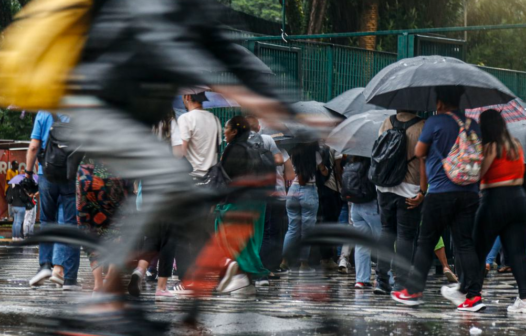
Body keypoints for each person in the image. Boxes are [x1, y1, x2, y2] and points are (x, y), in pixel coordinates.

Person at [392, 86, 484, 312]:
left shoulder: (434, 122)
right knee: (464, 243)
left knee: (426, 242)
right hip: (469, 192)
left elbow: (419, 150)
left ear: (440, 103)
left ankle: (413, 291)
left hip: (441, 192)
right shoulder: (473, 125)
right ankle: (473, 297)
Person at [474, 109, 526, 313]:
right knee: (517, 253)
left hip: (495, 200)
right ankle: (524, 299)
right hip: (518, 199)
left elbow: (480, 173)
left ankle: (471, 293)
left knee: (478, 248)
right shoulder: (515, 144)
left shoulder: (490, 146)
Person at [214, 116, 269, 294]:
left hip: (238, 202)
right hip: (256, 202)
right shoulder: (253, 149)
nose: (224, 131)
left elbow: (228, 179)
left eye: (226, 128)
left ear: (235, 131)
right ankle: (247, 280)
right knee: (249, 241)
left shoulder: (233, 150)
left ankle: (241, 278)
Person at [26, 111, 81, 291]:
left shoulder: (43, 113)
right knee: (70, 224)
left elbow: (34, 146)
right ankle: (69, 278)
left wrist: (28, 173)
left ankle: (45, 266)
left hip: (46, 173)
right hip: (71, 175)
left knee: (47, 221)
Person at [374, 110, 425, 295]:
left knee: (387, 231)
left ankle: (381, 280)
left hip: (385, 187)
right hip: (410, 188)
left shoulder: (386, 122)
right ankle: (400, 282)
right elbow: (424, 160)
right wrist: (423, 190)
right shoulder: (422, 126)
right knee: (406, 236)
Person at [245, 115, 285, 281]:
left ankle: (248, 266)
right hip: (266, 191)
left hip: (246, 193)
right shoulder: (266, 139)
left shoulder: (236, 141)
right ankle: (264, 267)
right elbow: (279, 159)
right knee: (265, 231)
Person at [280, 142, 328, 274]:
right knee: (307, 231)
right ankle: (304, 263)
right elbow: (323, 171)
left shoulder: (294, 152)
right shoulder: (315, 154)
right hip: (309, 191)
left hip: (293, 190)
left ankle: (284, 261)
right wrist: (325, 169)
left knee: (292, 228)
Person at [347, 156, 381, 289]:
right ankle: (384, 279)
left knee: (361, 244)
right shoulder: (373, 163)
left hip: (355, 206)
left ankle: (361, 279)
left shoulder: (352, 162)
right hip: (372, 206)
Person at [178, 92, 222, 182]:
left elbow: (180, 152)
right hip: (212, 179)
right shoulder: (215, 119)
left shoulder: (185, 118)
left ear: (187, 96)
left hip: (192, 178)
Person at [316, 144, 343, 271]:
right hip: (332, 188)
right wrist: (343, 186)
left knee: (322, 224)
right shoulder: (335, 146)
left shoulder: (316, 146)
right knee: (331, 223)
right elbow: (338, 170)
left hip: (318, 188)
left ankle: (324, 257)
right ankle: (327, 258)